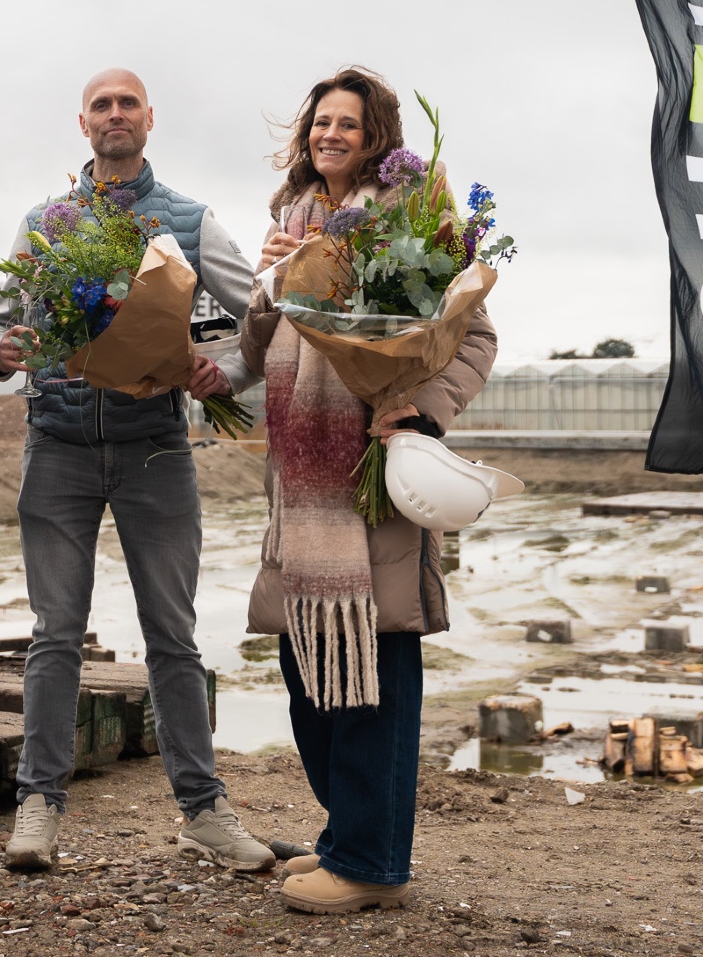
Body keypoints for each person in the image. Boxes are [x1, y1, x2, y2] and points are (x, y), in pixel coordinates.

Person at [0, 68, 274, 873]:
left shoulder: (188, 219)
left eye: (127, 104)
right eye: (101, 105)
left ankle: (204, 812)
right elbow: (0, 323)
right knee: (55, 635)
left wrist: (228, 373)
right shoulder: (44, 222)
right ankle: (39, 805)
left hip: (156, 450)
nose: (115, 115)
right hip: (58, 446)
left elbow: (259, 314)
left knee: (173, 636)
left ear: (150, 119)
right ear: (83, 123)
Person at [241, 66, 495, 915]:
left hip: (374, 476)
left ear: (376, 136)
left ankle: (372, 864)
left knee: (375, 668)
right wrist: (267, 285)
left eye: (348, 123)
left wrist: (422, 410)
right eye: (322, 121)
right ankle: (347, 836)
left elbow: (473, 335)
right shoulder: (289, 221)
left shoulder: (413, 222)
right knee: (307, 669)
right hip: (300, 485)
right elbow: (257, 351)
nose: (331, 134)